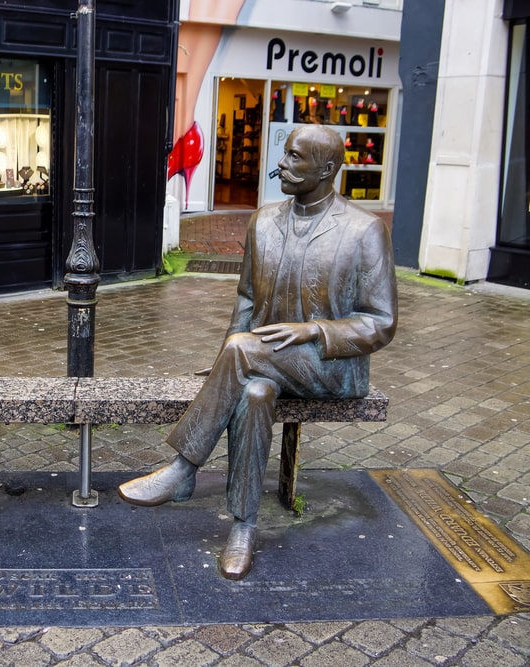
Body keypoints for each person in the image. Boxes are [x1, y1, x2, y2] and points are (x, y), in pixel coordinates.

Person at [118, 125, 397, 580]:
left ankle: (183, 468)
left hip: (328, 368)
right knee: (253, 395)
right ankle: (243, 527)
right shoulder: (263, 220)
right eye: (284, 154)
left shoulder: (364, 230)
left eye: (294, 157)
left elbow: (381, 323)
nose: (280, 164)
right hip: (260, 362)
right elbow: (246, 300)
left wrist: (313, 331)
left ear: (327, 169)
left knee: (245, 356)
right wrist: (231, 358)